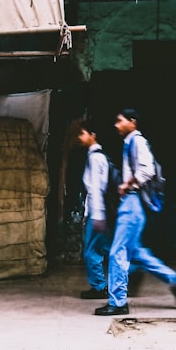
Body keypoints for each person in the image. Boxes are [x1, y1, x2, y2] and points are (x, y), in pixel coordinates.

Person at [94, 108, 176, 316]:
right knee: (135, 252)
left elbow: (147, 170)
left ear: (132, 122)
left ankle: (118, 302)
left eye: (120, 121)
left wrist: (127, 185)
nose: (116, 125)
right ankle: (174, 280)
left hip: (132, 203)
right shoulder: (130, 143)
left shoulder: (137, 142)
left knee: (118, 252)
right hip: (131, 204)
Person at [77, 121, 110, 299]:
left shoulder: (95, 158)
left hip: (97, 213)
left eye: (82, 133)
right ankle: (125, 278)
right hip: (100, 212)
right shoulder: (97, 156)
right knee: (106, 248)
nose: (79, 137)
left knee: (91, 251)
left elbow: (96, 188)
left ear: (93, 135)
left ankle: (99, 286)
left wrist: (96, 216)